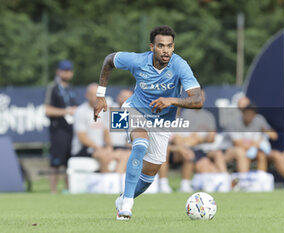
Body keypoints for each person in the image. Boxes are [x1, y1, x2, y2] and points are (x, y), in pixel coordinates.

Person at [93, 25, 203, 220]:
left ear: (174, 47)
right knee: (140, 143)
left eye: (169, 46)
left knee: (150, 175)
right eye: (161, 46)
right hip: (133, 110)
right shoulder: (137, 61)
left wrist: (172, 100)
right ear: (152, 47)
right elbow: (109, 60)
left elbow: (198, 100)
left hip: (162, 122)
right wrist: (101, 95)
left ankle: (123, 198)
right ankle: (126, 206)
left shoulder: (180, 65)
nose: (166, 50)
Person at [71, 83, 129, 174]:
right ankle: (106, 184)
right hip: (84, 148)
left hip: (100, 147)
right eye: (93, 95)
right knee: (104, 155)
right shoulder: (80, 111)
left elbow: (106, 131)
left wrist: (109, 147)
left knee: (124, 155)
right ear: (87, 96)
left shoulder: (103, 110)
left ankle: (117, 182)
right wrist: (99, 148)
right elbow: (82, 137)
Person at [44, 60, 77, 193]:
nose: (67, 73)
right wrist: (66, 111)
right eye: (64, 70)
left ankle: (68, 189)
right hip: (58, 130)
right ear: (58, 71)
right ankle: (53, 190)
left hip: (71, 130)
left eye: (69, 71)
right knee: (55, 162)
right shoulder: (53, 88)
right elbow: (47, 110)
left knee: (69, 161)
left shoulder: (71, 89)